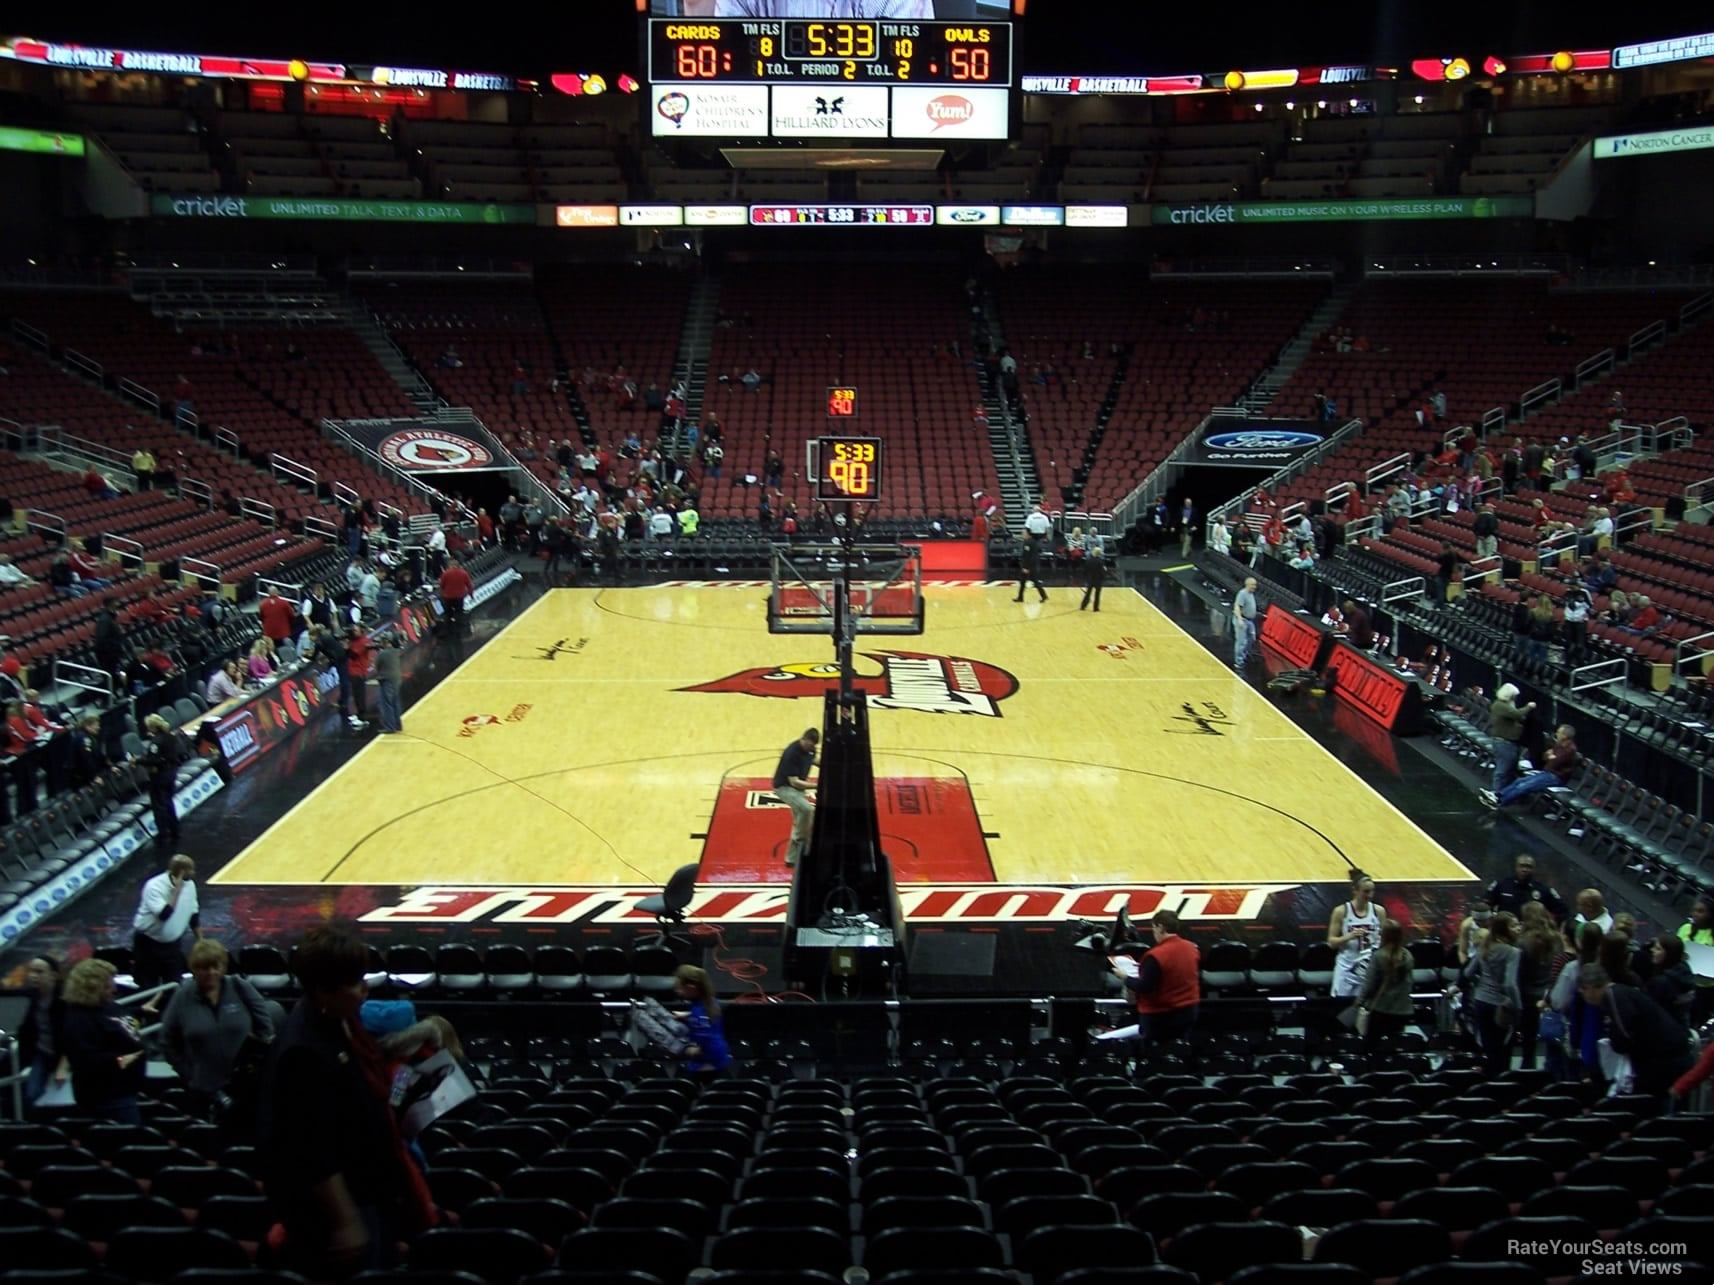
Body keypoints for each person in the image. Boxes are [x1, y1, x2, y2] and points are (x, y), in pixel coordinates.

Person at [259, 925, 433, 1278]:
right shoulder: (303, 1052)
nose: (364, 988)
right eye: (355, 983)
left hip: (372, 1186)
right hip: (351, 1201)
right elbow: (311, 1149)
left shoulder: (337, 1018)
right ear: (324, 991)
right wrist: (346, 1220)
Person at [161, 939, 276, 1110]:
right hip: (203, 1089)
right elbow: (167, 1041)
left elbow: (265, 1028)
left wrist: (256, 1063)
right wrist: (189, 1073)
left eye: (216, 967)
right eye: (204, 968)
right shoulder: (182, 997)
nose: (211, 972)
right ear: (194, 968)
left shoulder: (239, 987)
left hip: (247, 1085)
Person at [1579, 964, 1695, 1100]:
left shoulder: (1613, 996)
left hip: (1664, 1061)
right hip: (1669, 1056)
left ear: (1590, 988)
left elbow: (1623, 1039)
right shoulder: (1624, 993)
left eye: (1582, 990)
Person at [59, 958, 146, 1123]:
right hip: (107, 1097)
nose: (114, 988)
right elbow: (84, 1059)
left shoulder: (109, 1006)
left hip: (128, 1090)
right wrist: (119, 1061)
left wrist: (140, 1011)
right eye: (108, 985)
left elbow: (122, 1020)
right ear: (92, 987)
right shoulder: (79, 1019)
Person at [1113, 909, 1201, 1044]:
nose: (1153, 932)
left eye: (1153, 928)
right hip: (1188, 1012)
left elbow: (1144, 987)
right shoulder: (1192, 948)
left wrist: (1125, 977)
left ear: (1160, 927)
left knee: (1154, 1053)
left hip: (1160, 1017)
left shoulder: (1155, 955)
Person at [132, 853, 200, 993]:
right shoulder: (154, 886)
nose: (193, 873)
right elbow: (164, 914)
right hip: (148, 945)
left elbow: (194, 912)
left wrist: (200, 939)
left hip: (172, 946)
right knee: (148, 986)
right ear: (181, 871)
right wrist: (176, 891)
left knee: (174, 985)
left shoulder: (190, 885)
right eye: (190, 870)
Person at [1466, 911, 1523, 1076]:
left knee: (1489, 1048)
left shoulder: (1484, 947)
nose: (1518, 928)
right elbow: (1510, 984)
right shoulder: (1513, 952)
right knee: (1502, 1051)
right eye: (1514, 925)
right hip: (1501, 1007)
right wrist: (1518, 1007)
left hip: (1480, 1002)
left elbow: (1469, 973)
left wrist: (1480, 986)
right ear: (1503, 930)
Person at [1484, 723, 1579, 810]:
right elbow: (1546, 757)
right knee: (1520, 781)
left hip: (1556, 777)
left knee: (1525, 786)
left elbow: (1555, 762)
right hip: (1548, 772)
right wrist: (1550, 757)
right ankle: (1497, 795)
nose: (1556, 734)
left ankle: (1500, 802)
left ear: (1565, 736)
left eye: (1559, 732)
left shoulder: (1569, 749)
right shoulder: (1560, 744)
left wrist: (1551, 757)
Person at [15, 954, 64, 1107]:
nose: (33, 976)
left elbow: (73, 1037)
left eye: (39, 972)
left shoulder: (65, 1002)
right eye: (31, 971)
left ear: (54, 975)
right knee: (31, 1093)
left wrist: (63, 1067)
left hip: (65, 1055)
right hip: (42, 1052)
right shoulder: (33, 998)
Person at [1357, 921, 1413, 1044]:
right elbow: (1409, 983)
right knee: (1394, 1044)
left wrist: (1359, 1002)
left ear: (1384, 935)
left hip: (1380, 1009)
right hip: (1402, 1009)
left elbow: (1369, 984)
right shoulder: (1408, 955)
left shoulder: (1378, 956)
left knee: (1372, 1045)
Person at [671, 965, 730, 1079]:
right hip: (720, 1055)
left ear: (691, 987)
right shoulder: (711, 1002)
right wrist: (687, 1015)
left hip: (708, 1062)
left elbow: (706, 1039)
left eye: (680, 987)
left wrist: (689, 1051)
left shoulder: (700, 1014)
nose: (678, 991)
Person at [1329, 874, 1382, 998]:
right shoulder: (1341, 911)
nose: (1370, 895)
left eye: (1372, 891)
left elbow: (1384, 938)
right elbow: (1331, 943)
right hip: (1346, 967)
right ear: (1355, 890)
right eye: (1366, 891)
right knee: (1340, 1006)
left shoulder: (1378, 911)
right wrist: (1348, 936)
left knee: (1365, 1007)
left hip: (1368, 968)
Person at [772, 727, 818, 868]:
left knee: (804, 819)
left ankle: (793, 858)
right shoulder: (791, 753)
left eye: (813, 746)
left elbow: (814, 759)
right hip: (785, 788)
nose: (810, 748)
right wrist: (818, 785)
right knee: (806, 810)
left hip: (797, 789)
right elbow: (795, 782)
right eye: (809, 744)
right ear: (803, 739)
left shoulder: (810, 749)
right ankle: (800, 844)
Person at [141, 713, 187, 849]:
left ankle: (163, 833)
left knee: (159, 805)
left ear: (152, 728)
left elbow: (154, 760)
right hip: (172, 773)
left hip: (159, 776)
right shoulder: (171, 737)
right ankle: (175, 830)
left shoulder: (156, 742)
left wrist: (137, 761)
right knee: (169, 802)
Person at [1485, 852, 1567, 920]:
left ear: (1534, 869)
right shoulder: (1502, 884)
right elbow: (1486, 904)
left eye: (1528, 867)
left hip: (1530, 934)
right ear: (1516, 867)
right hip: (1504, 930)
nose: (1524, 870)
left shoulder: (1543, 890)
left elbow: (1563, 911)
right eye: (1521, 866)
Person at [1486, 684, 1533, 797]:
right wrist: (1529, 707)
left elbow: (1519, 718)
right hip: (1504, 743)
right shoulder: (1501, 706)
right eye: (1514, 696)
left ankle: (1508, 794)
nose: (1515, 698)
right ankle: (1495, 793)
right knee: (1503, 769)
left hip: (1510, 742)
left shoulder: (1505, 705)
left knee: (1510, 770)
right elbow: (1518, 715)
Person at [1678, 897, 1714, 1026]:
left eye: (1700, 911)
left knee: (1696, 1020)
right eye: (1694, 910)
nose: (1695, 914)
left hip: (1705, 987)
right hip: (1683, 979)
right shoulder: (1685, 928)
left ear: (1710, 914)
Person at [375, 635, 404, 734]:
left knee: (387, 703)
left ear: (386, 642)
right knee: (395, 702)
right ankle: (397, 725)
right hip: (396, 679)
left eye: (382, 641)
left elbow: (377, 666)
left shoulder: (383, 654)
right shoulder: (396, 651)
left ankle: (390, 727)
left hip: (387, 680)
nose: (380, 643)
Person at [439, 559, 473, 634]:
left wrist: (443, 592)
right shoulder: (464, 573)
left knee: (448, 614)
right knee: (458, 613)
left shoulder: (446, 573)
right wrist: (471, 595)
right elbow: (469, 585)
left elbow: (442, 585)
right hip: (459, 597)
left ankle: (448, 630)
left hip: (448, 597)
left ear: (450, 566)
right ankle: (459, 630)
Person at [1232, 576, 1259, 668]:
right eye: (1252, 585)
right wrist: (1239, 619)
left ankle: (1244, 654)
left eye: (1255, 585)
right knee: (1241, 641)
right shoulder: (1242, 594)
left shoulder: (1251, 594)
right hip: (1243, 620)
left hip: (1250, 621)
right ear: (1247, 584)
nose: (1254, 587)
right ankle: (1239, 662)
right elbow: (1237, 607)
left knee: (1252, 638)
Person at [1014, 534, 1047, 604]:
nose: (1022, 534)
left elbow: (1028, 555)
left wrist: (1026, 567)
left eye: (1024, 532)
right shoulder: (1034, 541)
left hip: (1029, 566)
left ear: (1028, 534)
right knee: (1024, 581)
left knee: (1032, 581)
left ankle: (1043, 596)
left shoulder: (1028, 542)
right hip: (1032, 565)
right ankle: (1020, 597)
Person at [1078, 530, 1106, 612]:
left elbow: (1085, 570)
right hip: (1098, 580)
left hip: (1090, 579)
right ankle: (1095, 608)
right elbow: (1102, 572)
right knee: (1097, 595)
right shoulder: (1101, 562)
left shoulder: (1088, 560)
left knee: (1088, 594)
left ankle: (1083, 606)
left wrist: (1085, 577)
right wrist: (1103, 578)